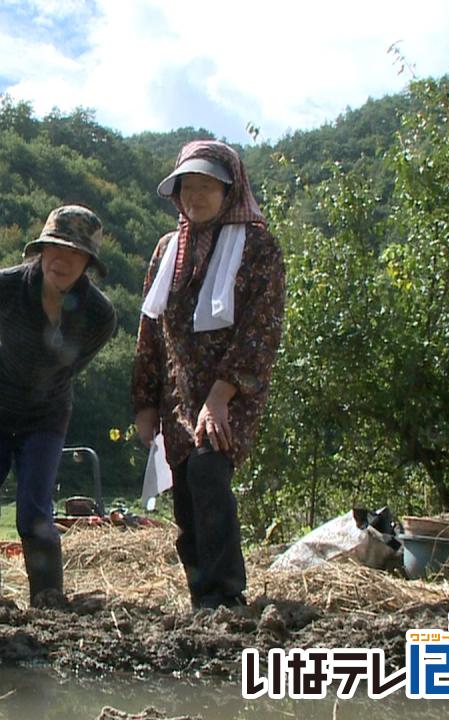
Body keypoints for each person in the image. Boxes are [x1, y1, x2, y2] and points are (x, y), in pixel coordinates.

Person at [131, 139, 286, 610]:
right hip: (179, 393)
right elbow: (151, 329)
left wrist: (220, 396)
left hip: (230, 390)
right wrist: (145, 403)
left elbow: (262, 328)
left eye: (205, 187)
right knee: (184, 491)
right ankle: (202, 597)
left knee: (208, 471)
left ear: (230, 189)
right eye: (186, 188)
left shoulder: (258, 246)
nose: (194, 198)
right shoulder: (167, 250)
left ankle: (226, 594)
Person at [0, 205, 117, 606]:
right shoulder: (4, 287)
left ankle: (49, 606)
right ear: (40, 250)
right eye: (55, 248)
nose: (62, 260)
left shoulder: (99, 315)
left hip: (45, 415)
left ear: (88, 263)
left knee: (34, 511)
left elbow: (71, 367)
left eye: (76, 253)